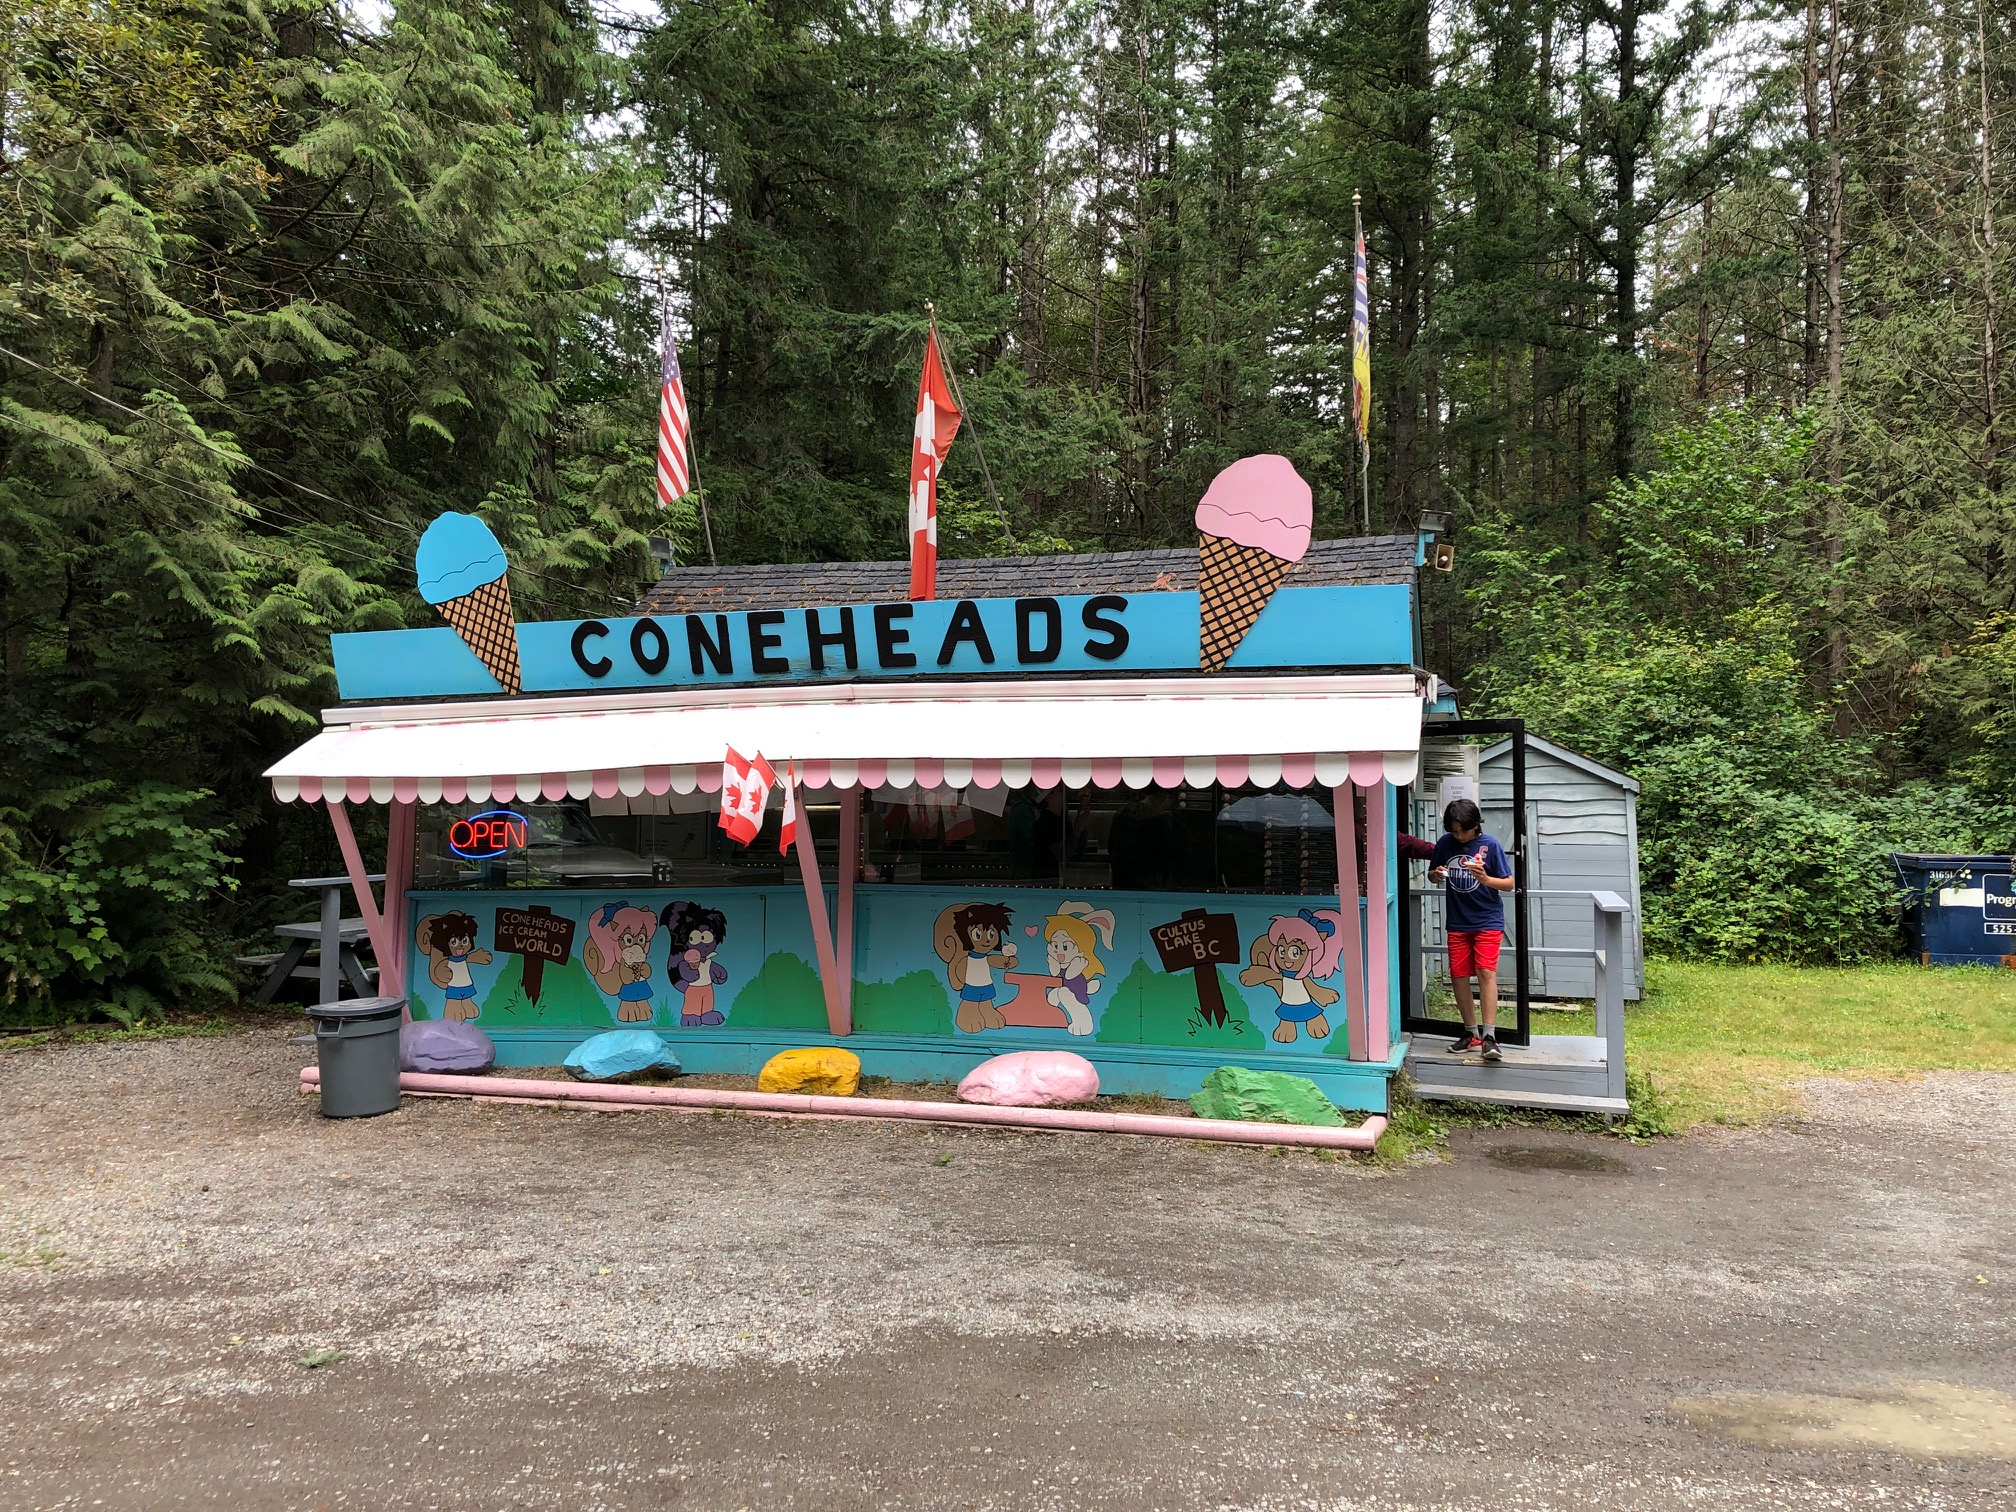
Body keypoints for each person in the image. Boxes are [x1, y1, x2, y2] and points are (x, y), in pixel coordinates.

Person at [1428, 798, 1515, 1059]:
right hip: (1457, 921)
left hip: (1487, 919)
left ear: (1475, 825)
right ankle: (1470, 1033)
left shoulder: (1491, 845)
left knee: (1486, 971)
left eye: (1462, 830)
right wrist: (1438, 873)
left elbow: (1509, 883)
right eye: (1453, 831)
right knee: (1458, 976)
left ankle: (1490, 1036)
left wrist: (1486, 879)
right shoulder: (1445, 844)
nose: (1458, 836)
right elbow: (1432, 875)